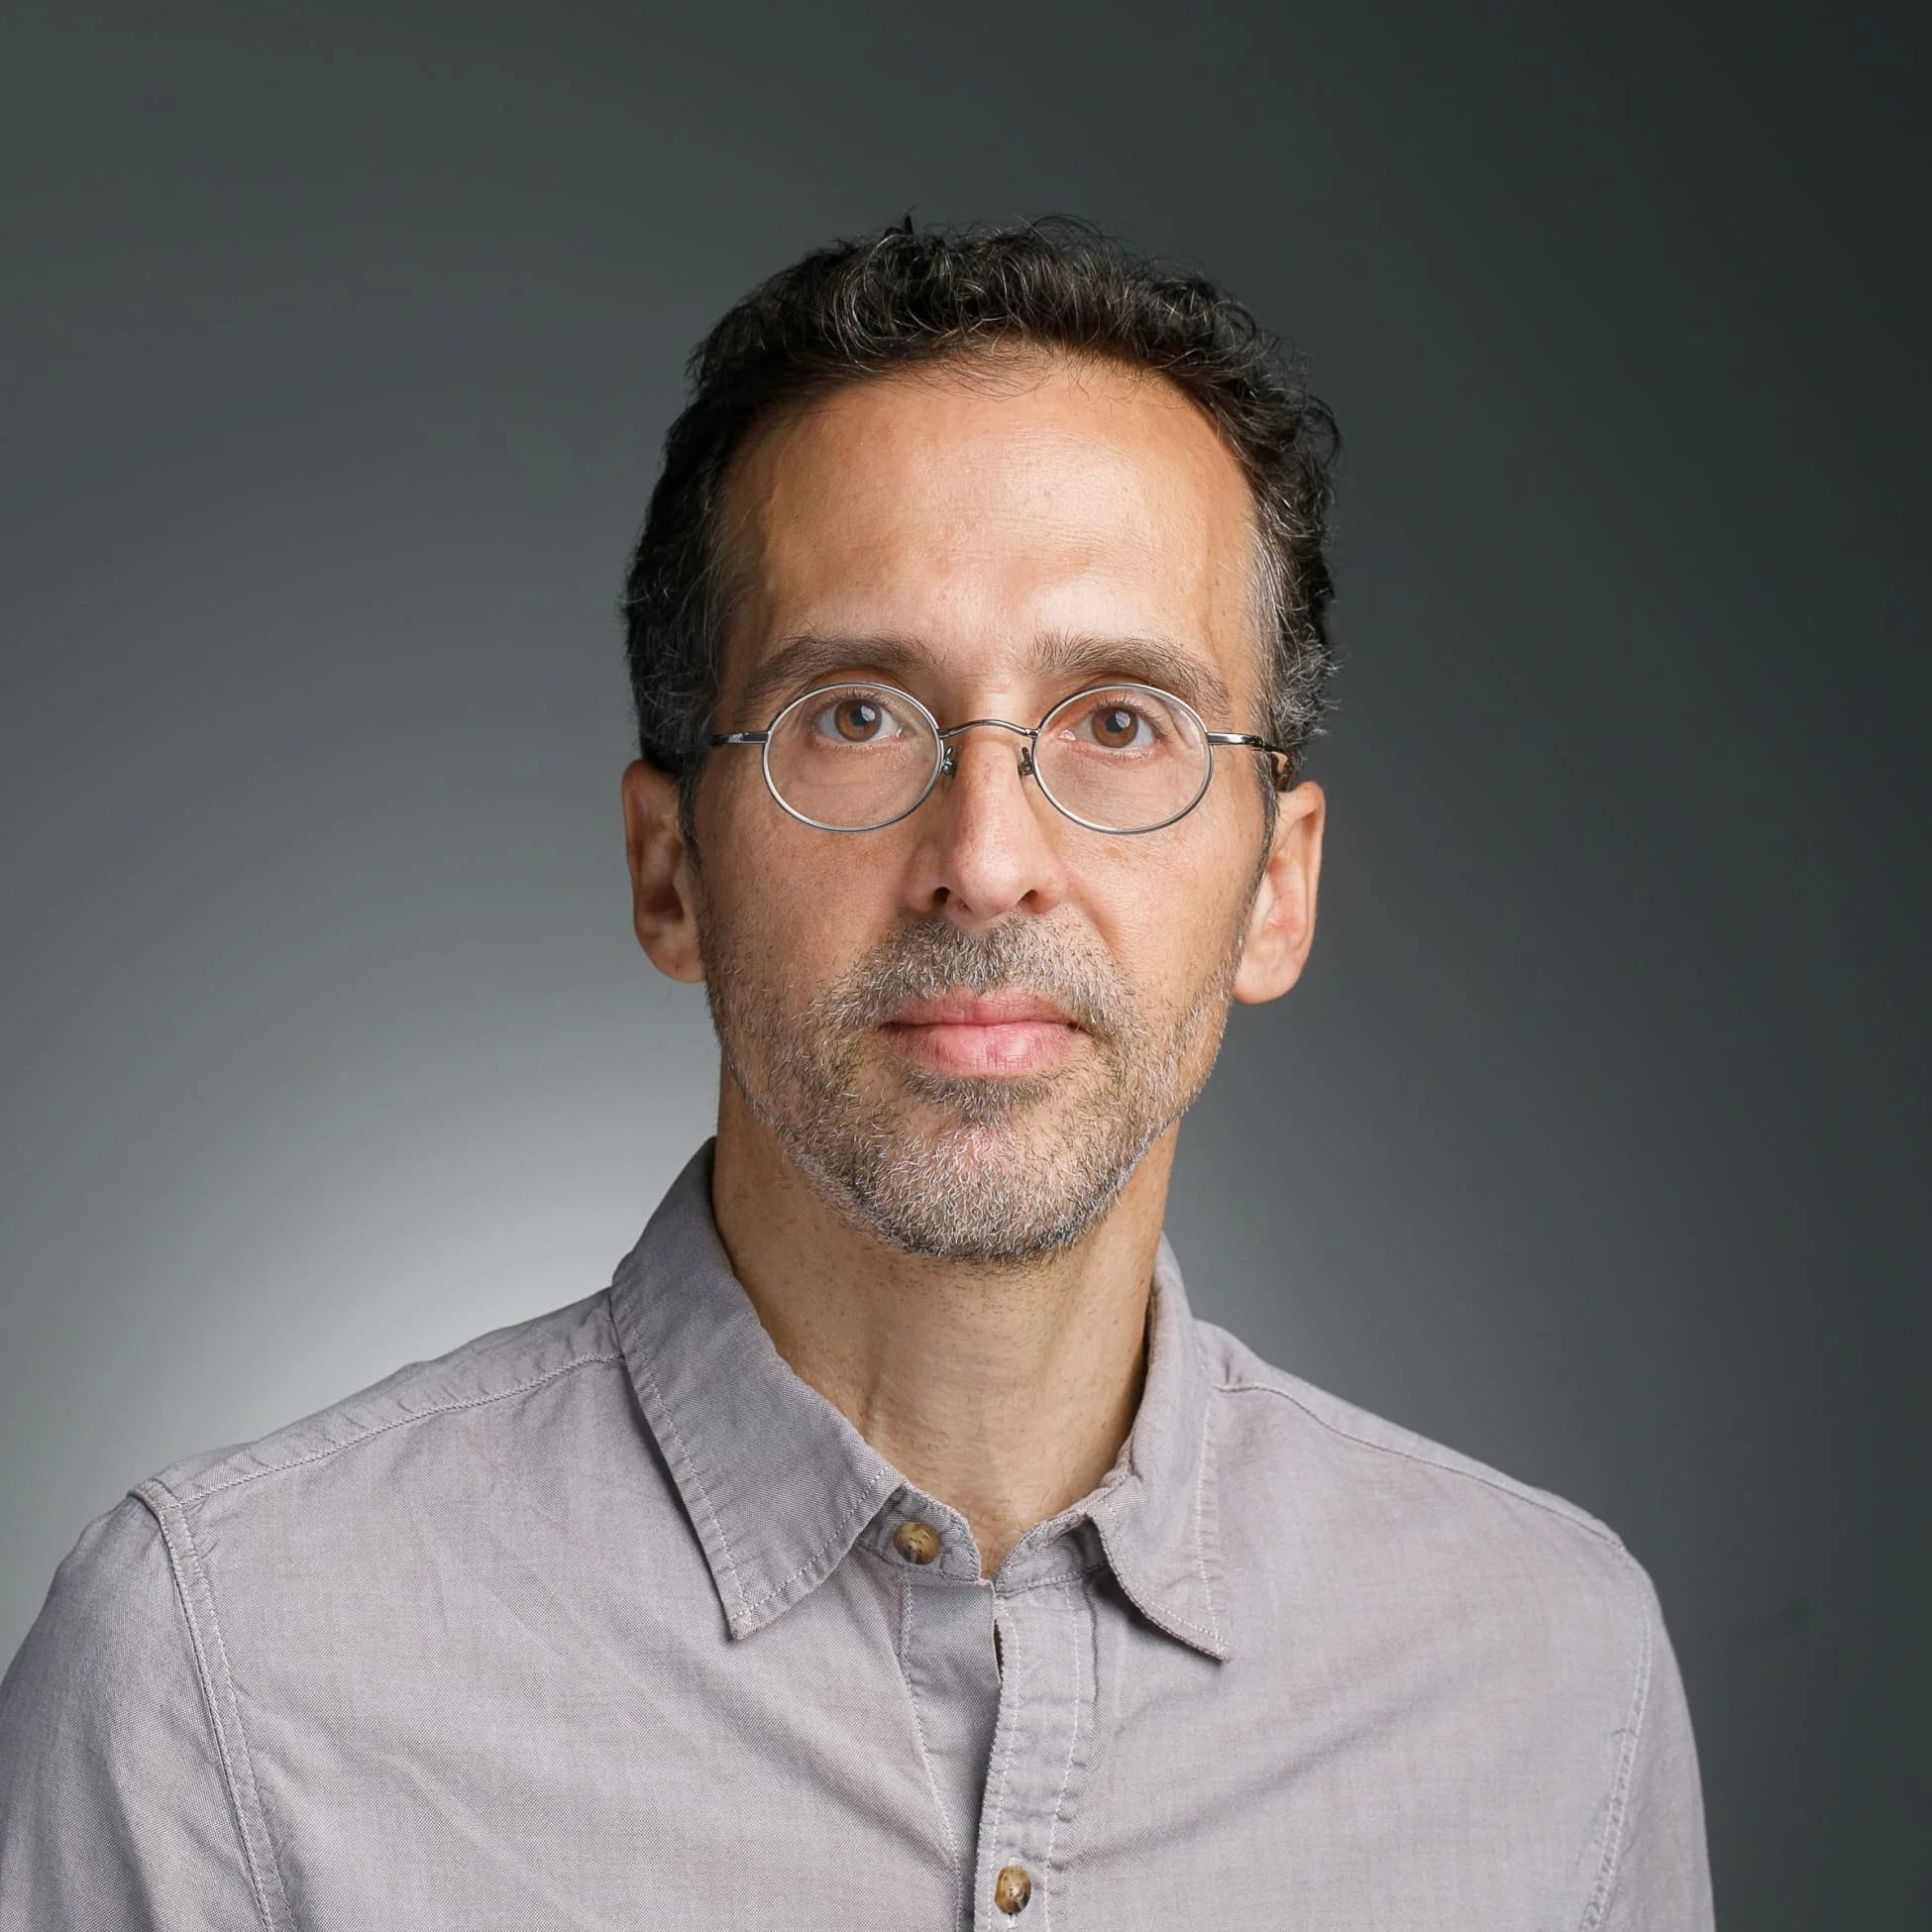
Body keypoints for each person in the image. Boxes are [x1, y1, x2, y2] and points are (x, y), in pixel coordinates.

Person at [0, 220, 1713, 1929]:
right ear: (670, 870)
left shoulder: (1551, 1683)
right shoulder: (223, 1677)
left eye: (1120, 720)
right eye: (858, 714)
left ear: (1280, 885)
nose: (985, 861)